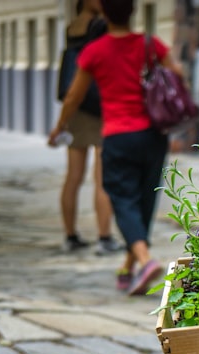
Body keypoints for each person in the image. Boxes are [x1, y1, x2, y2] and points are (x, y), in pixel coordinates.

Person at [48, 0, 180, 296]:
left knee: (122, 200)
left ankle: (144, 261)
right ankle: (128, 266)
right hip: (153, 135)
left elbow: (72, 97)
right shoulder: (150, 45)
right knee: (145, 202)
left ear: (104, 14)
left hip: (119, 136)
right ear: (133, 11)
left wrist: (59, 128)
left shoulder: (95, 51)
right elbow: (177, 74)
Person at [56, 0, 121, 255]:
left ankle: (70, 235)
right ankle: (105, 237)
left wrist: (60, 123)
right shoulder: (102, 26)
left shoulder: (72, 27)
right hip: (101, 107)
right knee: (101, 178)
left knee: (73, 176)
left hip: (77, 109)